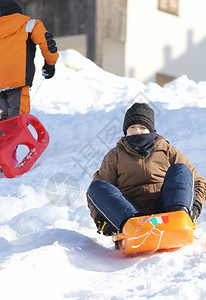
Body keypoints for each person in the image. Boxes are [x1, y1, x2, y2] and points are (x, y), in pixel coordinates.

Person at [87, 103, 206, 236]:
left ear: (151, 130)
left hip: (167, 212)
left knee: (181, 170)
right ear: (126, 131)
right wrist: (102, 220)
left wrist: (195, 206)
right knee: (96, 186)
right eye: (132, 127)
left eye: (142, 127)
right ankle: (133, 228)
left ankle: (178, 216)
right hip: (131, 217)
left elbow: (198, 182)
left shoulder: (168, 151)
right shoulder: (115, 155)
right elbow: (100, 193)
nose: (137, 131)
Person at [0, 0, 59, 120]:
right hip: (18, 78)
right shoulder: (30, 25)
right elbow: (47, 43)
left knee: (4, 119)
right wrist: (50, 64)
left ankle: (5, 137)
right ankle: (17, 138)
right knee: (18, 119)